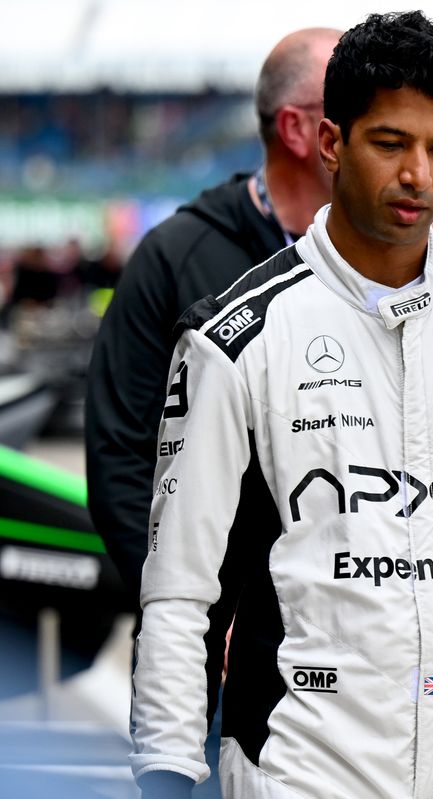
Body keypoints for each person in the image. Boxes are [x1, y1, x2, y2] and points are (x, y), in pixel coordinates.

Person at [129, 12, 433, 799]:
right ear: (330, 143)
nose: (419, 174)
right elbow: (182, 594)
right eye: (391, 144)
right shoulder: (233, 340)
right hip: (293, 775)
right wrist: (166, 775)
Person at [85, 26, 342, 608]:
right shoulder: (175, 255)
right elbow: (120, 463)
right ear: (298, 129)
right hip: (212, 656)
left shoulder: (392, 266)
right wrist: (186, 616)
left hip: (357, 647)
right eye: (354, 103)